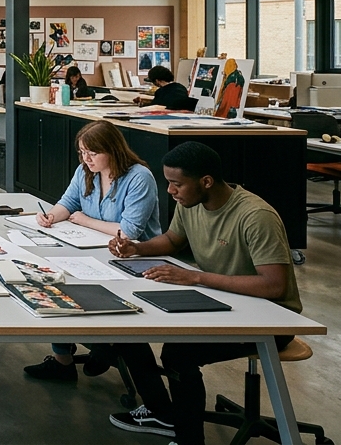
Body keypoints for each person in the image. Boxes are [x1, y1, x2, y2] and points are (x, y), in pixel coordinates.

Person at [107, 141, 302, 443]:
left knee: (179, 353)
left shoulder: (256, 216)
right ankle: (162, 412)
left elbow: (274, 285)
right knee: (129, 329)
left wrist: (196, 277)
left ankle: (189, 439)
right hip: (223, 302)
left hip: (272, 319)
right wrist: (137, 248)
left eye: (176, 184)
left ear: (206, 181)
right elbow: (173, 240)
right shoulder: (191, 203)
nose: (170, 190)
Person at [23, 120, 162, 381]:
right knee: (51, 280)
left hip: (131, 257)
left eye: (93, 153)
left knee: (75, 289)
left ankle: (105, 346)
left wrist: (84, 220)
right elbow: (68, 202)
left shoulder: (139, 177)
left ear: (113, 150)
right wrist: (51, 216)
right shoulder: (86, 171)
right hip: (91, 250)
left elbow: (128, 231)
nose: (86, 159)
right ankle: (64, 360)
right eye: (82, 152)